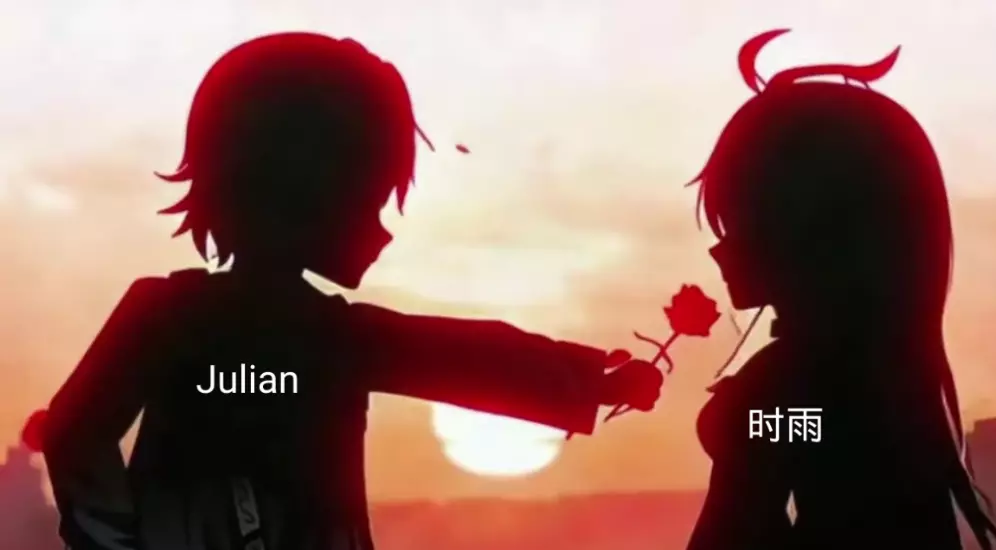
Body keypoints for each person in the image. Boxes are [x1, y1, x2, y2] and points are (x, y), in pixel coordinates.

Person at [40, 32, 663, 550]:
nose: (380, 232)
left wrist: (589, 380)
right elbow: (76, 431)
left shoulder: (330, 336)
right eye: (367, 201)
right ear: (299, 191)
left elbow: (459, 355)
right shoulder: (174, 318)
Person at [685, 29, 996, 550]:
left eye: (740, 224)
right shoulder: (891, 376)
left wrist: (745, 427)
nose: (720, 251)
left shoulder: (795, 388)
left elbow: (737, 516)